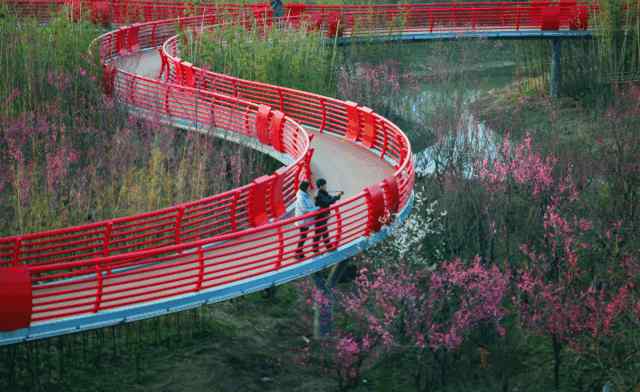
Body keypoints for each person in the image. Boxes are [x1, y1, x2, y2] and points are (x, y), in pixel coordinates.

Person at [314, 178, 344, 253]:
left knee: (319, 232)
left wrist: (338, 195)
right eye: (324, 185)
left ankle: (317, 249)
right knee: (322, 232)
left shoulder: (322, 192)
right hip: (320, 216)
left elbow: (330, 199)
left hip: (322, 216)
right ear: (321, 186)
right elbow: (329, 201)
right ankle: (327, 247)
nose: (326, 186)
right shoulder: (319, 194)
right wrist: (337, 196)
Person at [294, 180, 318, 259]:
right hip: (303, 220)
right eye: (308, 187)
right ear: (305, 188)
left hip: (305, 220)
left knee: (303, 236)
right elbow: (304, 209)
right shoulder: (301, 197)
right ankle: (298, 252)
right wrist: (316, 209)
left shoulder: (304, 195)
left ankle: (299, 252)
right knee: (303, 236)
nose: (309, 188)